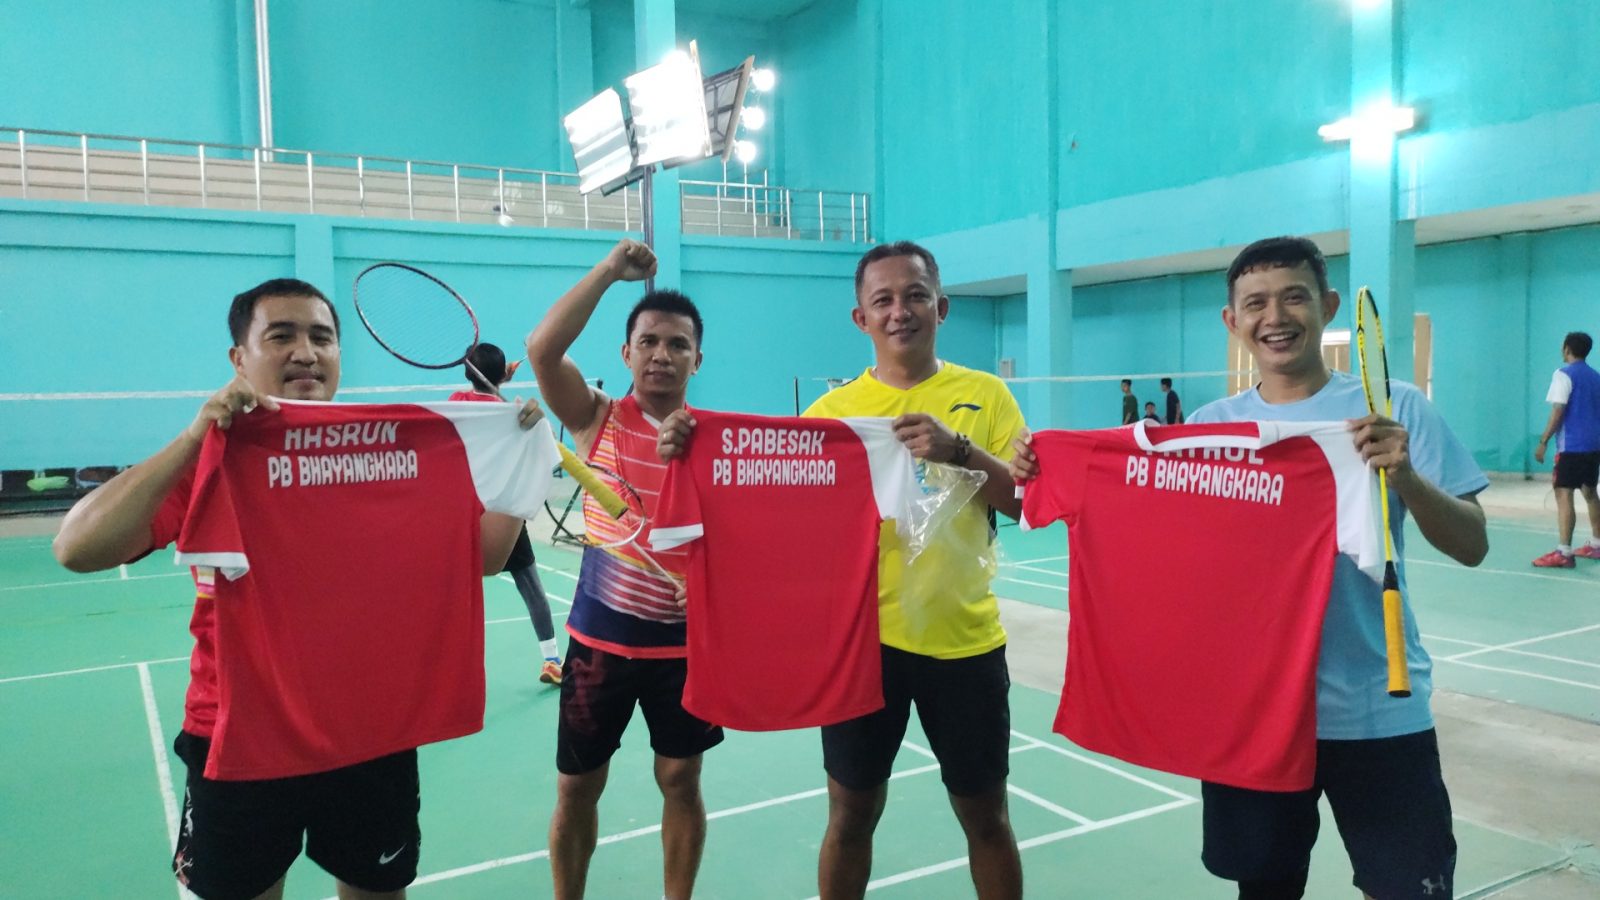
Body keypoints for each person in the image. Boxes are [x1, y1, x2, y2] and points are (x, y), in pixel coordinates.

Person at [1015, 236, 1487, 900]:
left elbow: (1473, 543)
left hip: (1377, 711)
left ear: (1326, 306)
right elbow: (1169, 552)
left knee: (1412, 890)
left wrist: (1405, 474)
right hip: (1250, 714)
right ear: (1232, 321)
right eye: (1256, 303)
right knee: (1264, 890)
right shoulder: (1211, 427)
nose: (1276, 317)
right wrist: (1045, 466)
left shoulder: (1395, 410)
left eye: (1294, 297)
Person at [52, 278, 537, 900]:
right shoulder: (216, 455)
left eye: (321, 338)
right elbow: (77, 547)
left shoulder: (397, 451)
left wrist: (520, 457)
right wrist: (195, 439)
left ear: (338, 355)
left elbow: (487, 557)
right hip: (238, 737)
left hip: (373, 733)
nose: (305, 352)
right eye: (281, 336)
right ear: (239, 358)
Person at [763, 240, 1026, 899]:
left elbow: (1024, 502)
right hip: (861, 650)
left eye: (914, 296)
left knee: (986, 817)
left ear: (941, 307)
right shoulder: (829, 416)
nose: (899, 311)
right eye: (882, 300)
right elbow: (788, 524)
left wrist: (959, 449)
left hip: (964, 643)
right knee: (850, 815)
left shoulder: (986, 395)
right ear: (862, 318)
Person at [526, 239, 722, 900]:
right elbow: (542, 351)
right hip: (599, 647)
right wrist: (610, 271)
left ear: (697, 358)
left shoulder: (715, 439)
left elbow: (741, 541)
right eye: (649, 342)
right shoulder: (595, 418)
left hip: (684, 649)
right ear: (627, 353)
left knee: (681, 781)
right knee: (577, 787)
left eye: (677, 344)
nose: (662, 354)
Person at [449, 342, 563, 681]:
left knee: (455, 588)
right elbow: (544, 448)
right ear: (502, 375)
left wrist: (497, 379)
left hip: (465, 512)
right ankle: (552, 659)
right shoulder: (515, 414)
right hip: (504, 515)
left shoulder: (456, 403)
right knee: (531, 585)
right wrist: (502, 384)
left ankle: (449, 662)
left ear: (467, 373)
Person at [1532, 331, 1600, 567]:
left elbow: (1558, 410)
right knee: (1590, 493)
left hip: (1571, 446)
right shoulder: (1596, 377)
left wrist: (1543, 441)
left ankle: (1564, 552)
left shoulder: (1563, 374)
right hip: (1594, 445)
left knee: (1563, 493)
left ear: (1567, 349)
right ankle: (1597, 545)